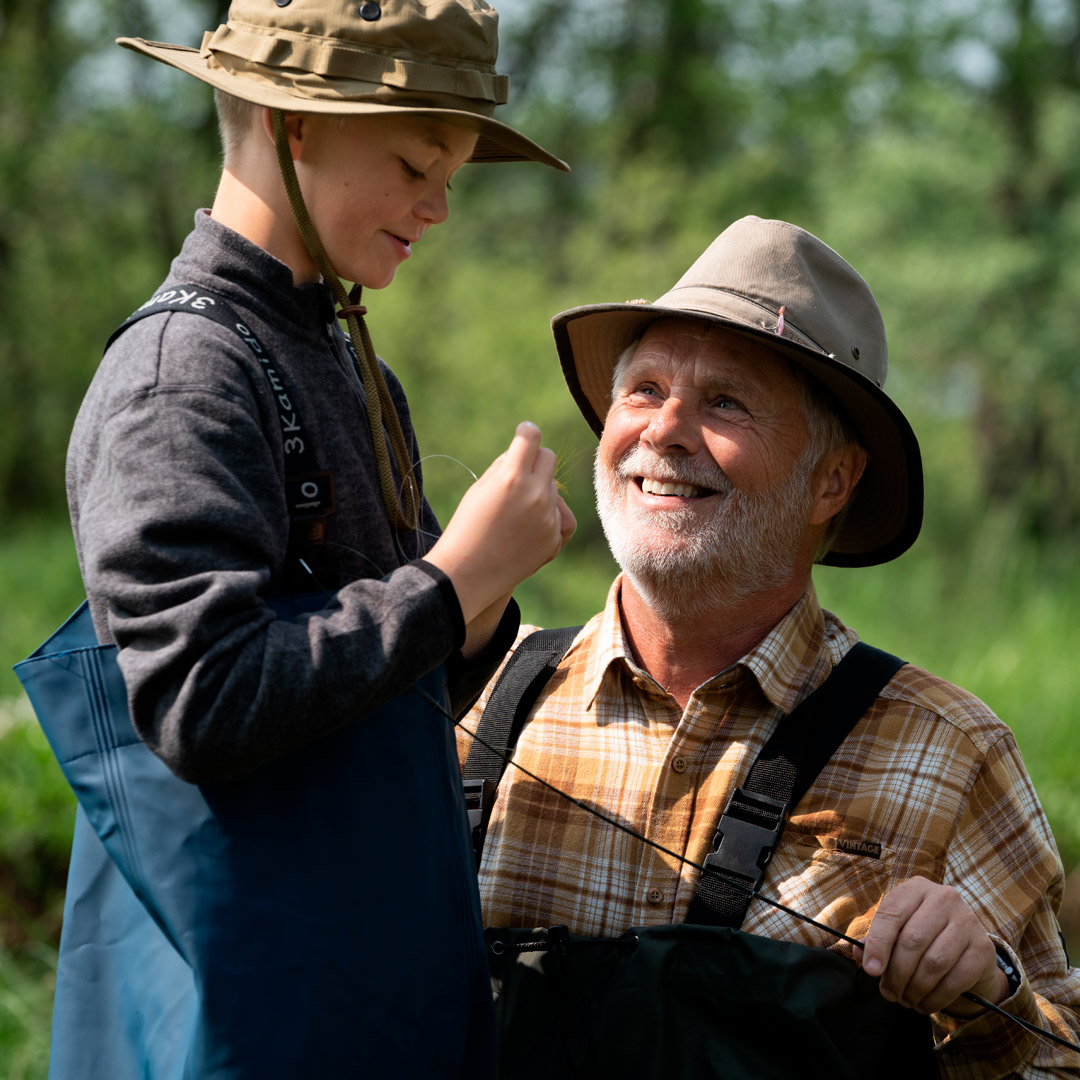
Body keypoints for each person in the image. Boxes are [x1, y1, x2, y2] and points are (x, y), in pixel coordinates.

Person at [58, 1, 574, 1076]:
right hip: (253, 1009)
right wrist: (450, 580)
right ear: (293, 123)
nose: (438, 206)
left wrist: (474, 609)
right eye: (412, 162)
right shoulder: (180, 376)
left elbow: (380, 687)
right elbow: (200, 700)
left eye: (455, 173)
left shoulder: (349, 361)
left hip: (371, 982)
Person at [460, 216, 1080, 1076]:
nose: (665, 430)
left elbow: (1060, 1059)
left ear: (833, 480)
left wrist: (992, 993)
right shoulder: (478, 698)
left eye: (724, 402)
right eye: (642, 389)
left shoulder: (951, 752)